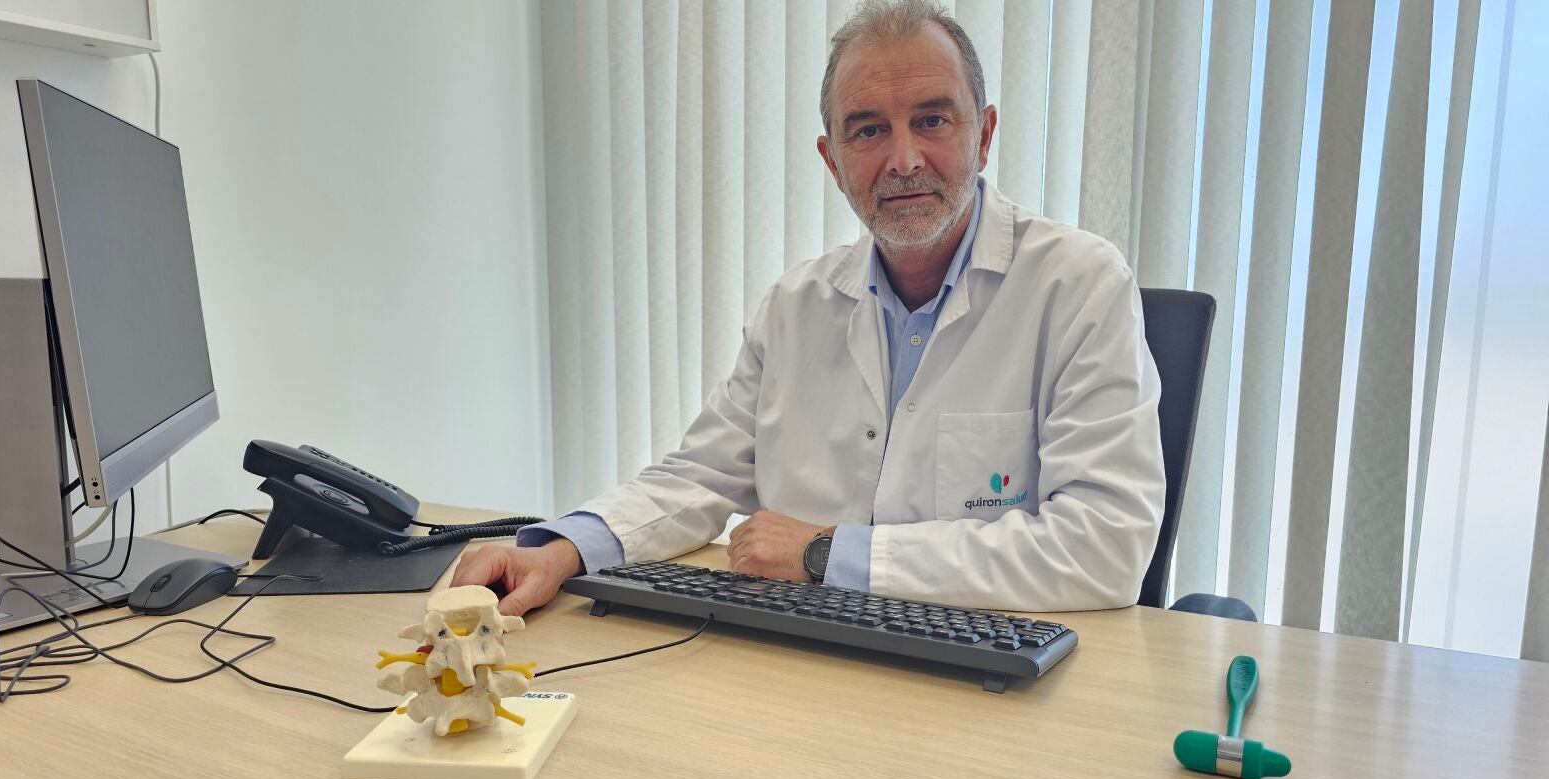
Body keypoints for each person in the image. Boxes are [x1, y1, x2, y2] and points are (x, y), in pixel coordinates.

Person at [455, 0, 1165, 617]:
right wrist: (561, 550)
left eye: (931, 119)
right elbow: (698, 478)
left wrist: (829, 554)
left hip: (995, 675)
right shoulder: (796, 305)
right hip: (809, 656)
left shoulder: (1079, 285)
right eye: (869, 130)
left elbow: (1104, 546)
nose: (904, 159)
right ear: (833, 161)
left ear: (983, 134)